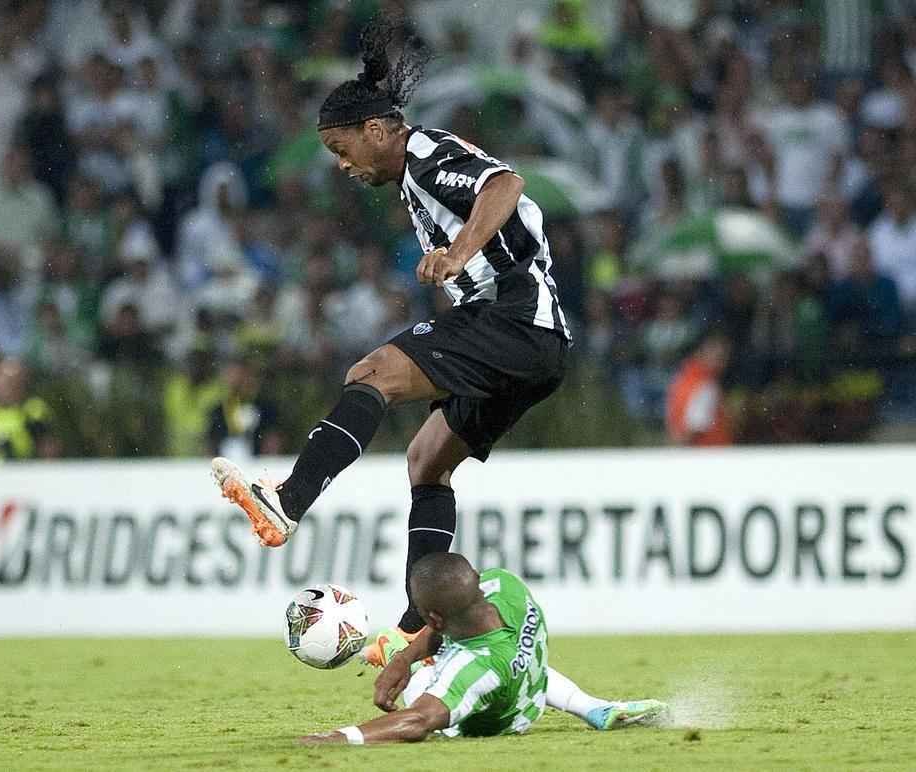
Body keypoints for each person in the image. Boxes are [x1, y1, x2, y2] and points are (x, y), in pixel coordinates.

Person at [211, 18, 570, 660]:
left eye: (342, 149)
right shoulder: (414, 174)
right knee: (427, 461)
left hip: (514, 317)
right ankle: (418, 629)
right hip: (535, 341)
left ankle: (288, 500)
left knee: (372, 373)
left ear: (377, 130)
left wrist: (459, 251)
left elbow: (506, 185)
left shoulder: (425, 154)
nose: (343, 165)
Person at [300, 553, 666, 745]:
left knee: (426, 676)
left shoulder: (472, 669)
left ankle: (379, 650)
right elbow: (446, 625)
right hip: (530, 686)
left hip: (502, 721)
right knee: (507, 657)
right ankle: (592, 707)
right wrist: (405, 657)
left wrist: (341, 736)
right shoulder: (504, 584)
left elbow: (418, 722)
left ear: (433, 618)